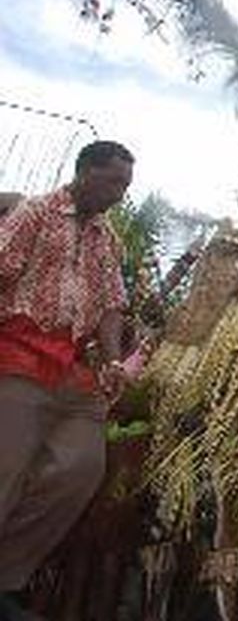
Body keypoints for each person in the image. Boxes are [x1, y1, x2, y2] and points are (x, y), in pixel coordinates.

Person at [0, 140, 134, 619]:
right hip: (18, 355)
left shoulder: (107, 239)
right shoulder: (34, 215)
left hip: (74, 370)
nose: (121, 194)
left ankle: (6, 576)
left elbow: (111, 306)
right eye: (115, 181)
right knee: (7, 469)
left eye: (126, 185)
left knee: (80, 470)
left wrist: (115, 361)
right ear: (85, 172)